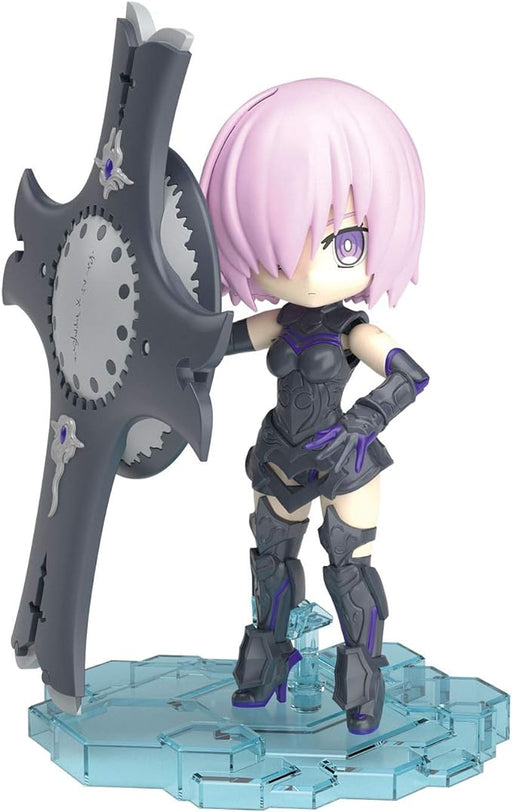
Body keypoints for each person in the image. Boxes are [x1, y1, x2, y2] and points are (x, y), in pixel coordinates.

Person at [201, 78, 429, 735]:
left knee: (348, 568)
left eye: (340, 240)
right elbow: (213, 343)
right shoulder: (280, 321)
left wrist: (365, 420)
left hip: (345, 456)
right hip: (281, 451)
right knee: (270, 560)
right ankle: (266, 664)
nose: (305, 268)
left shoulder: (352, 328)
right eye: (282, 241)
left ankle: (362, 687)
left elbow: (410, 375)